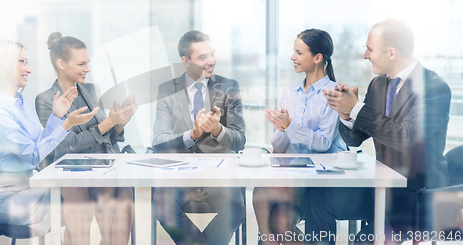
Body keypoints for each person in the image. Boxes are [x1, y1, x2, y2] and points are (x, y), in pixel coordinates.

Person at [305, 19, 451, 244]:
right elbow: (356, 138)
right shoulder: (378, 84)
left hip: (416, 198)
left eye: (370, 49)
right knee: (318, 200)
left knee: (362, 241)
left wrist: (356, 108)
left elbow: (409, 139)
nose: (365, 55)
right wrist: (346, 114)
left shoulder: (434, 87)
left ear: (391, 53)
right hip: (383, 190)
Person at [0, 39, 97, 236]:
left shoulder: (21, 102)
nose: (29, 69)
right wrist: (66, 124)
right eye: (23, 62)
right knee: (78, 205)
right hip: (2, 201)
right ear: (4, 64)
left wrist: (57, 117)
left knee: (81, 200)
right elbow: (32, 155)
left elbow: (38, 142)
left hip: (28, 189)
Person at [35, 33, 137, 245]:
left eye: (87, 63)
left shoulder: (92, 89)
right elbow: (66, 145)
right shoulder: (46, 100)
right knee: (81, 202)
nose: (87, 69)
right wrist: (108, 123)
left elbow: (109, 139)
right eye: (81, 63)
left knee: (125, 197)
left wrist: (119, 123)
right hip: (73, 173)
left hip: (106, 168)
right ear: (61, 64)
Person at [152, 30, 246, 245]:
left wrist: (217, 130)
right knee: (163, 208)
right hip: (179, 172)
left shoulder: (229, 87)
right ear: (185, 61)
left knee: (233, 211)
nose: (211, 61)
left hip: (218, 173)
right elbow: (158, 142)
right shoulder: (167, 90)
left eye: (212, 54)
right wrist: (192, 134)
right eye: (203, 57)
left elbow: (240, 139)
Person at [253, 29, 346, 245]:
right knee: (261, 191)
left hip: (320, 181)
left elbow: (323, 143)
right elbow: (277, 144)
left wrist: (290, 125)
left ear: (317, 58)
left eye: (298, 52)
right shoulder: (288, 93)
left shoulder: (335, 93)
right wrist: (281, 128)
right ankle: (267, 241)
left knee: (281, 222)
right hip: (294, 176)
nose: (292, 57)